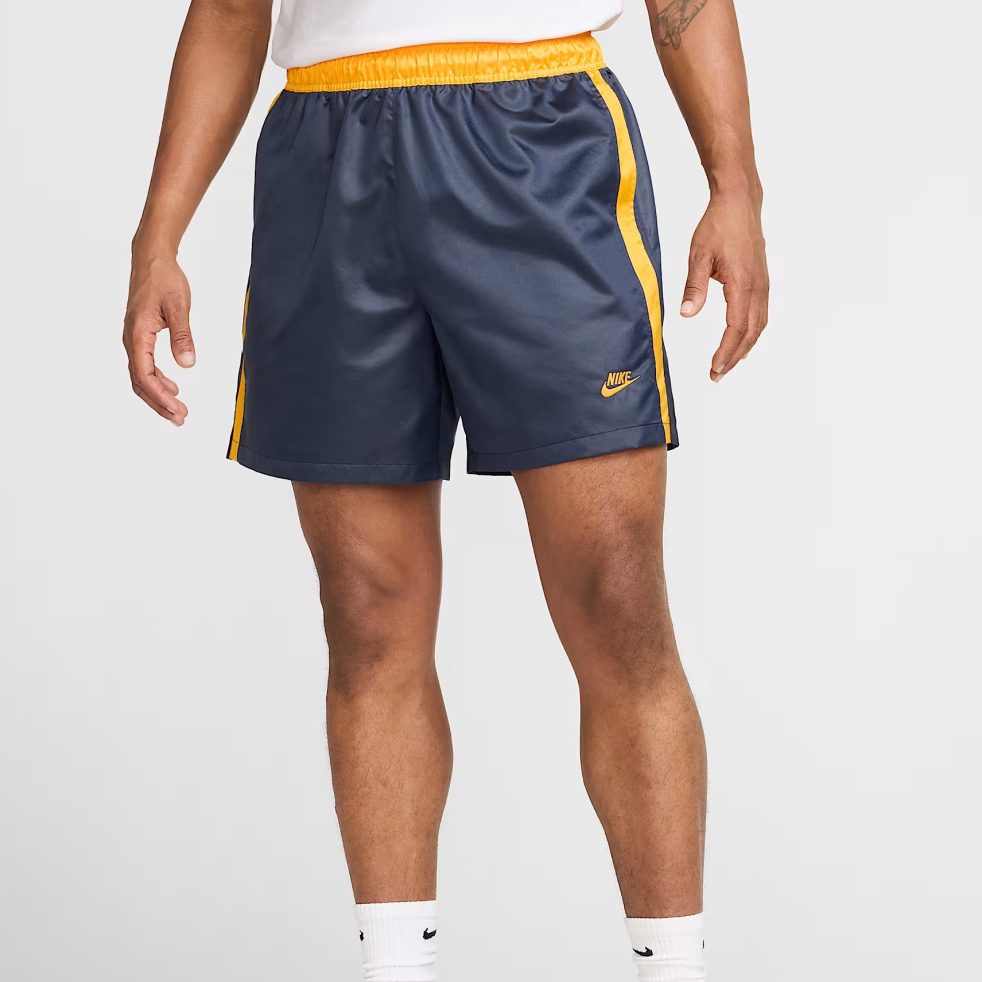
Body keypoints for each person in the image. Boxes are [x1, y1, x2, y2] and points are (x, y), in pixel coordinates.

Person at [123, 1, 768, 979]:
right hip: (329, 147)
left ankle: (672, 966)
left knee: (616, 592)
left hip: (539, 134)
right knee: (365, 609)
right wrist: (158, 235)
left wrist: (735, 187)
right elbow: (227, 10)